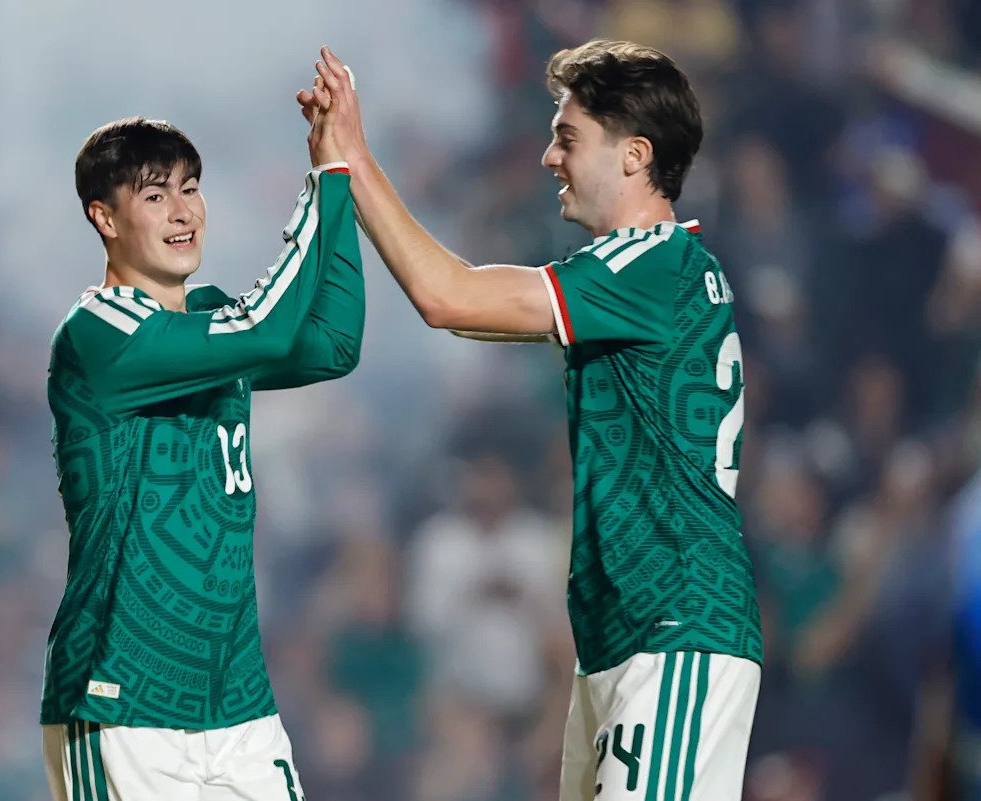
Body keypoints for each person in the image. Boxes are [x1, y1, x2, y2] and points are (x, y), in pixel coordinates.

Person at [298, 40, 762, 801]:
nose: (550, 157)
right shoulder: (664, 270)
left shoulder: (647, 266)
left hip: (675, 628)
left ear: (635, 155)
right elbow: (465, 313)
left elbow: (448, 296)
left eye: (568, 138)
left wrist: (352, 159)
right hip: (632, 634)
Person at [39, 100, 363, 801]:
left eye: (191, 188)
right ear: (105, 217)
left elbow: (335, 343)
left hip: (237, 700)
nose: (183, 210)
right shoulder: (98, 333)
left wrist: (339, 179)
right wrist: (325, 182)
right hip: (122, 699)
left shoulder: (214, 322)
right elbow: (268, 329)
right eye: (156, 196)